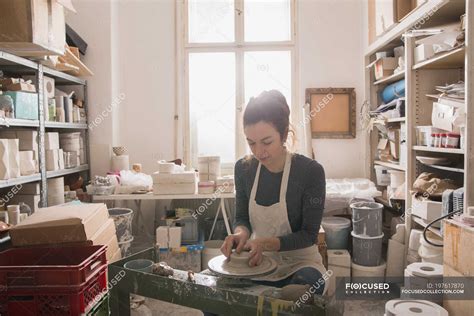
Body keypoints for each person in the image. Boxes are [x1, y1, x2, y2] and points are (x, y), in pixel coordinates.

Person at [220, 89, 327, 293]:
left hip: (301, 262)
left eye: (266, 142)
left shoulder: (310, 171)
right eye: (251, 143)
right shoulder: (243, 169)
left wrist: (264, 243)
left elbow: (309, 235)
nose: (259, 151)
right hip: (259, 260)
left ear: (284, 134)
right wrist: (240, 234)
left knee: (301, 291)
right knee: (213, 295)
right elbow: (242, 217)